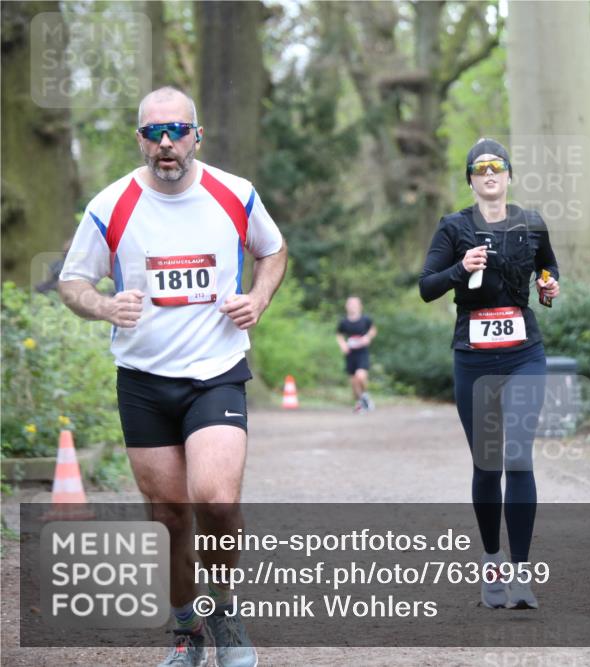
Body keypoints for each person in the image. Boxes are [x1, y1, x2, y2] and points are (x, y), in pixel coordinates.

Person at [58, 86, 286, 667]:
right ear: (139, 139)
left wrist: (257, 300)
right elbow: (72, 282)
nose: (166, 144)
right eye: (154, 133)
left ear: (196, 135)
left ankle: (226, 614)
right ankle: (186, 633)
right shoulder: (110, 206)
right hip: (142, 377)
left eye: (177, 131)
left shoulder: (235, 194)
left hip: (215, 371)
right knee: (166, 514)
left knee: (215, 497)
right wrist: (104, 307)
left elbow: (273, 250)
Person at [419, 138, 559, 610]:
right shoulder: (453, 227)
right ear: (471, 180)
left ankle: (521, 573)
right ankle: (492, 561)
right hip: (474, 359)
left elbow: (548, 267)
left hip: (524, 353)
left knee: (518, 457)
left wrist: (549, 285)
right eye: (480, 168)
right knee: (488, 463)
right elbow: (426, 287)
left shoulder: (531, 223)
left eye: (497, 166)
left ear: (509, 175)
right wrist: (460, 268)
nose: (489, 173)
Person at [336, 296, 377, 412]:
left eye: (354, 304)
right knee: (354, 381)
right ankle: (361, 402)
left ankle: (365, 396)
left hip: (362, 352)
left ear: (360, 306)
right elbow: (339, 335)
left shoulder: (365, 320)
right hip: (350, 354)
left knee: (361, 376)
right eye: (350, 304)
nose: (352, 306)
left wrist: (367, 337)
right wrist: (343, 345)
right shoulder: (343, 322)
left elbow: (373, 330)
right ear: (346, 306)